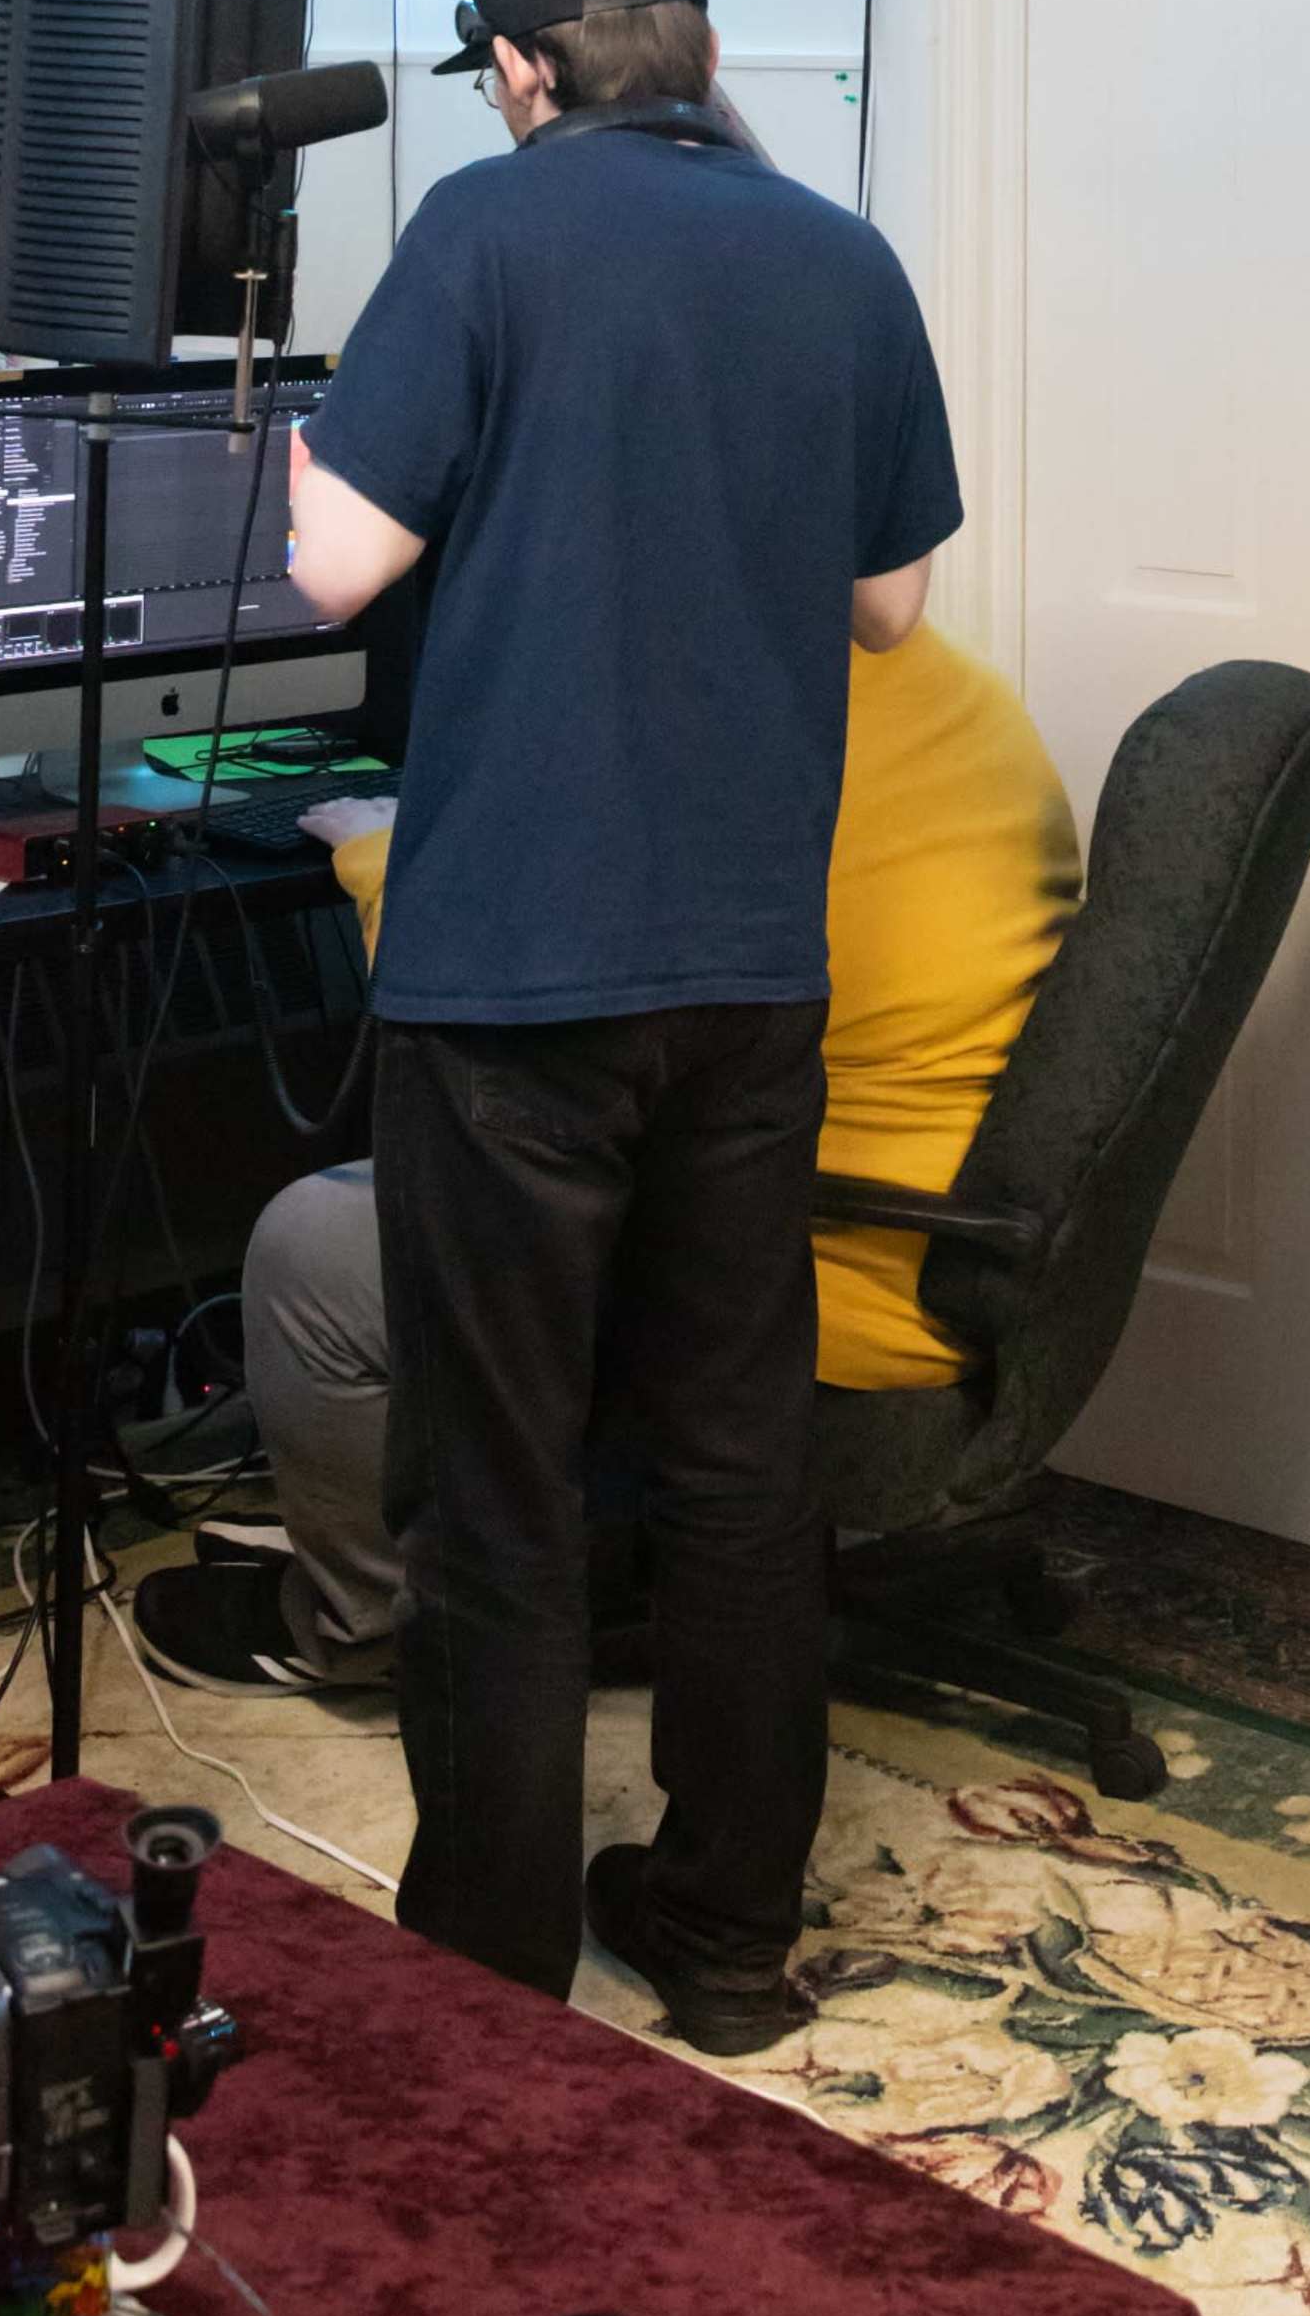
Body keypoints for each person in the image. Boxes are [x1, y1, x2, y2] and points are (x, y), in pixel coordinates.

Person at [281, 0, 961, 2058]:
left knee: (499, 1475)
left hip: (512, 986)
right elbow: (892, 608)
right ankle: (729, 1931)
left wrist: (309, 424)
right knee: (741, 1461)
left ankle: (488, 1959)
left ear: (517, 68)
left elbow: (330, 567)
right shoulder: (840, 255)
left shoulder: (485, 239)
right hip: (751, 971)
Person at [131, 620, 1078, 1697]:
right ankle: (519, 1534)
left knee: (312, 1244)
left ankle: (371, 1623)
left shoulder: (707, 736)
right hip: (944, 1230)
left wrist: (377, 850)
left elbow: (492, 1022)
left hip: (810, 1266)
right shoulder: (955, 697)